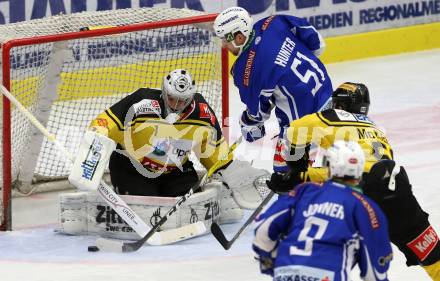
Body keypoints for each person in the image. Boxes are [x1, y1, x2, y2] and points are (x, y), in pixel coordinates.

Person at [64, 69, 270, 238]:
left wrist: (227, 171)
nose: (177, 105)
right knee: (144, 208)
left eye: (183, 101)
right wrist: (95, 142)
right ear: (164, 92)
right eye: (172, 99)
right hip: (132, 168)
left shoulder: (202, 113)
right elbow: (104, 123)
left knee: (192, 204)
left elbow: (214, 152)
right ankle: (84, 208)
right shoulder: (141, 102)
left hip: (175, 170)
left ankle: (222, 198)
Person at [267, 82, 440, 279]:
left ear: (340, 105)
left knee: (326, 249)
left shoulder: (332, 116)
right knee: (430, 252)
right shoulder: (375, 129)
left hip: (363, 191)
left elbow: (295, 130)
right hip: (397, 186)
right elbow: (364, 167)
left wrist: (297, 172)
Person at [213, 7, 333, 174]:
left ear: (239, 37)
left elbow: (257, 117)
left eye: (225, 40)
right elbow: (316, 42)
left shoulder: (245, 70)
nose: (224, 45)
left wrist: (247, 126)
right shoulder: (272, 22)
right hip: (327, 94)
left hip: (300, 125)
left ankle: (304, 190)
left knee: (285, 175)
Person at [253, 141, 392, 281]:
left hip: (286, 273)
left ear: (328, 165)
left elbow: (263, 229)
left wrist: (270, 261)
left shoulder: (304, 191)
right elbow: (375, 273)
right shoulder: (366, 206)